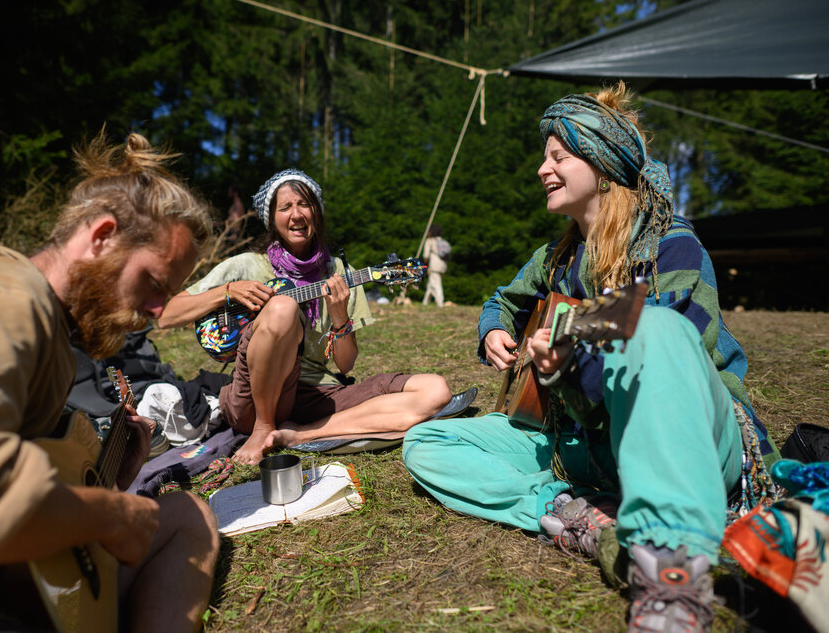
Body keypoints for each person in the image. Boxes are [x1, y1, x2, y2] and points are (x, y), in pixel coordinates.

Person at [402, 84, 779, 632]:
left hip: (691, 435)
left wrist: (569, 366)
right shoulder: (555, 258)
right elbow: (500, 302)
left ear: (602, 166)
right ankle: (569, 511)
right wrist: (494, 333)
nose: (541, 169)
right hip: (574, 444)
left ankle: (668, 579)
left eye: (558, 156)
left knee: (657, 327)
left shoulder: (673, 249)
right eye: (543, 157)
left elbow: (678, 366)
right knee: (426, 441)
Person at [0, 132, 220, 632]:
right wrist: (107, 514)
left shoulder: (54, 335)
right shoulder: (0, 302)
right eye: (153, 283)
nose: (158, 311)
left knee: (189, 515)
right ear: (102, 236)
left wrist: (109, 482)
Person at [159, 168, 452, 465]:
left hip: (317, 395)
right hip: (253, 396)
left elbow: (346, 364)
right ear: (272, 218)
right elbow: (168, 316)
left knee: (434, 391)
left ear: (317, 213)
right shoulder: (247, 266)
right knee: (283, 307)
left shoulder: (340, 273)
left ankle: (299, 435)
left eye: (304, 204)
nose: (296, 214)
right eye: (285, 207)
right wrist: (228, 290)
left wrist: (340, 318)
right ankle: (263, 427)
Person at [421, 224, 448, 307]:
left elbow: (426, 256)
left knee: (436, 285)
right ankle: (425, 302)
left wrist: (424, 265)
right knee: (431, 284)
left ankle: (440, 303)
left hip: (434, 265)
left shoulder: (430, 241)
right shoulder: (443, 242)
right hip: (443, 265)